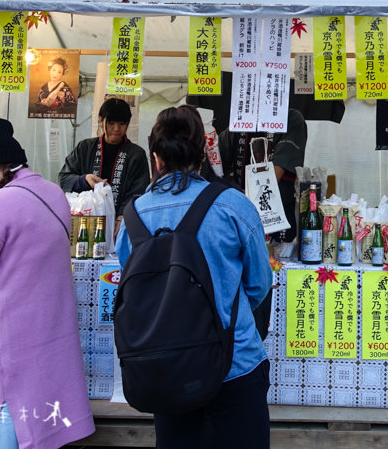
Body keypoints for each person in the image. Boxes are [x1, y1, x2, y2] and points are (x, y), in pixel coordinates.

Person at [116, 105, 272, 449]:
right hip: (236, 363)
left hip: (164, 365)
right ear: (203, 152)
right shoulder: (233, 205)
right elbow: (260, 284)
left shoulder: (133, 216)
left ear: (156, 158)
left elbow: (134, 289)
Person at [0, 118, 94, 449]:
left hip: (7, 322)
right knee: (35, 397)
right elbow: (25, 240)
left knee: (3, 404)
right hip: (46, 321)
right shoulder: (53, 193)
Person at [216, 108, 307, 250]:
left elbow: (275, 175)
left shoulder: (291, 118)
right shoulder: (238, 124)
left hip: (278, 219)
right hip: (240, 219)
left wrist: (236, 196)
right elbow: (216, 169)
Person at [58, 98, 149, 215]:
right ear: (101, 120)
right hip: (87, 219)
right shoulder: (84, 147)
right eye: (111, 123)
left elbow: (138, 191)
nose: (116, 128)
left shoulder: (136, 154)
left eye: (122, 124)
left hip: (121, 221)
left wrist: (122, 217)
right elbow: (64, 178)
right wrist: (84, 179)